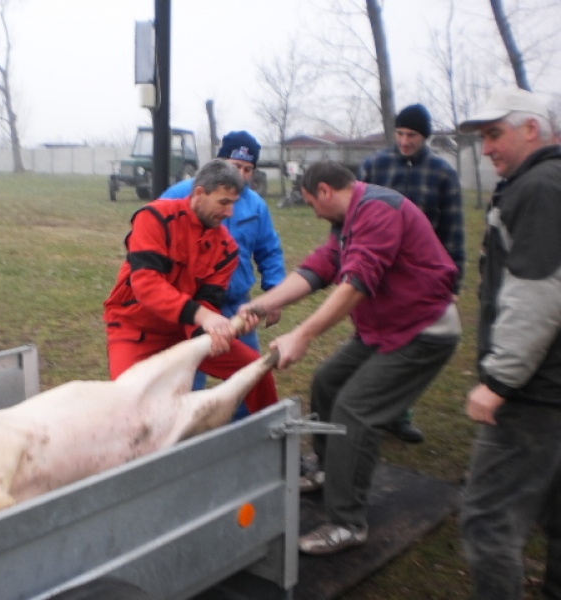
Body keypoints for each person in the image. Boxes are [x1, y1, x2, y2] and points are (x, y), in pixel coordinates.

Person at [239, 160, 460, 555]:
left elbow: (357, 281)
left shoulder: (379, 210)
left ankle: (346, 523)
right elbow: (320, 268)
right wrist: (262, 304)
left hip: (423, 332)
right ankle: (328, 468)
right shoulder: (349, 217)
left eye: (310, 203)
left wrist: (303, 334)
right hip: (386, 329)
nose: (313, 211)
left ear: (325, 190)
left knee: (356, 410)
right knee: (327, 382)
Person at [457, 87, 561, 600]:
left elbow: (538, 293)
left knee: (487, 521)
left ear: (532, 129)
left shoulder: (539, 187)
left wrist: (499, 381)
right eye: (482, 138)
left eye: (494, 134)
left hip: (536, 391)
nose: (487, 149)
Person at [104, 158, 278, 414]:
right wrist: (204, 316)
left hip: (181, 332)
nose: (230, 212)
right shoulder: (154, 217)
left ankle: (271, 437)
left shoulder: (227, 249)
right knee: (128, 406)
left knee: (256, 370)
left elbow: (207, 303)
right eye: (223, 202)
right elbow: (146, 284)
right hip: (135, 329)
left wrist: (220, 332)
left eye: (234, 204)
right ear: (199, 193)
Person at [358, 103, 466, 444]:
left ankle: (399, 413)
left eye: (412, 136)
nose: (405, 141)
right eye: (401, 133)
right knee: (368, 341)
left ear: (425, 137)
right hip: (375, 272)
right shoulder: (375, 166)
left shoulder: (442, 174)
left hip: (420, 278)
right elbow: (353, 216)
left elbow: (453, 230)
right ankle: (365, 406)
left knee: (408, 346)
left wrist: (455, 281)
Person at [160, 130, 286, 418]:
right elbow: (154, 245)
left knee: (250, 373)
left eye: (248, 169)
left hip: (237, 307)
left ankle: (247, 434)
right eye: (234, 166)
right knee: (187, 376)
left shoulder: (255, 205)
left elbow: (269, 250)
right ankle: (183, 438)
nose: (240, 175)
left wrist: (275, 292)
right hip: (191, 308)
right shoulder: (181, 194)